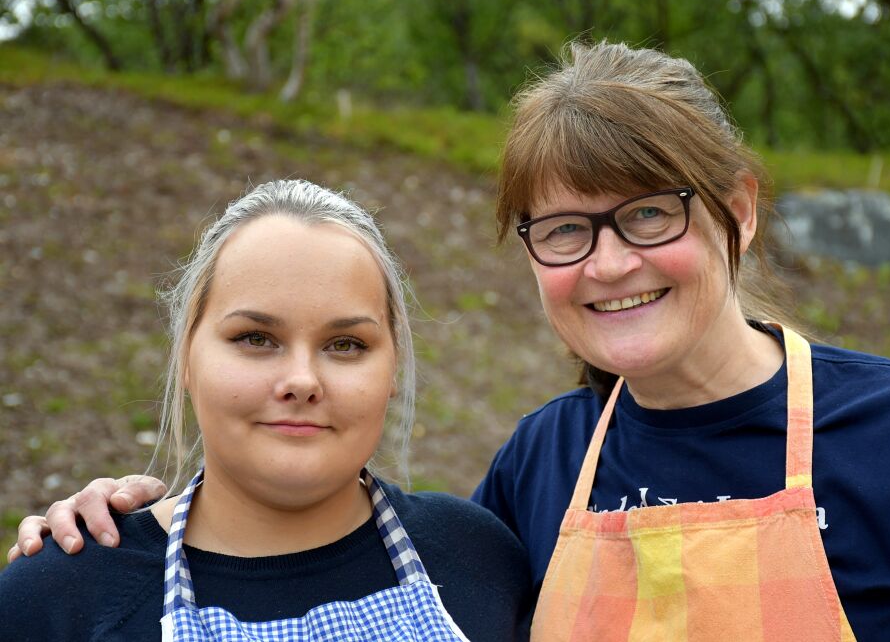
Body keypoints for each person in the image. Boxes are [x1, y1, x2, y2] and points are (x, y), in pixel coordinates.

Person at [12, 42, 890, 641]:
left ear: (736, 211)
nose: (606, 265)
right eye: (563, 230)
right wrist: (123, 522)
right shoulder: (537, 465)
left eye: (647, 215)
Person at [0, 179, 532, 641]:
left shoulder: (480, 556)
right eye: (256, 338)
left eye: (345, 344)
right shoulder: (59, 597)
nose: (301, 381)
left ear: (392, 370)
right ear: (186, 357)